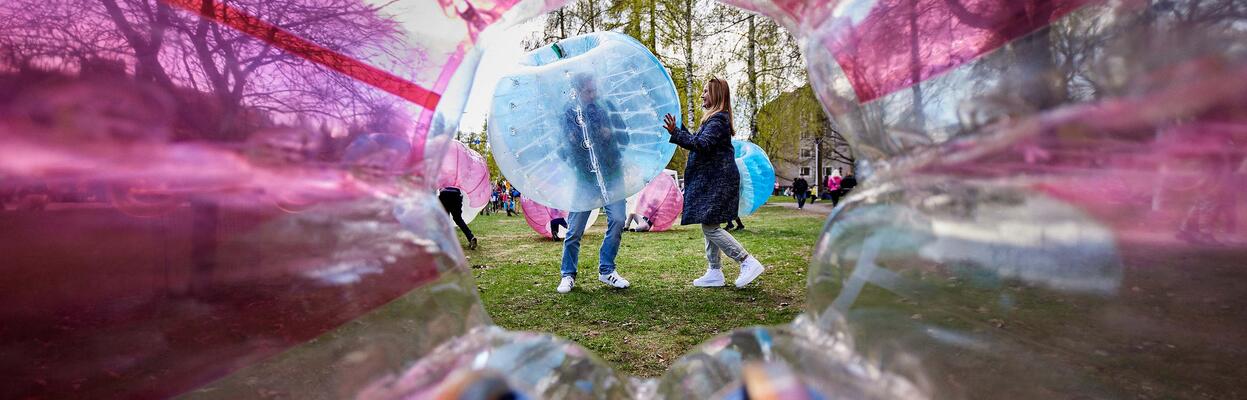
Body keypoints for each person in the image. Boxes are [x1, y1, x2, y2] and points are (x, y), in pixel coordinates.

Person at [663, 77, 767, 288]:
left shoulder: (719, 120)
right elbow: (697, 140)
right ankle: (714, 271)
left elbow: (701, 144)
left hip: (718, 182)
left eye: (706, 92)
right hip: (714, 181)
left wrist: (676, 132)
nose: (702, 95)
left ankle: (746, 261)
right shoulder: (714, 120)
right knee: (709, 223)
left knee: (710, 227)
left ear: (717, 95)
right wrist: (678, 126)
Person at [555, 74, 631, 293]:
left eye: (594, 89)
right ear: (578, 91)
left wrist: (611, 136)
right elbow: (563, 151)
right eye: (588, 91)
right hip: (586, 178)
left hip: (612, 173)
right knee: (575, 229)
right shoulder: (569, 113)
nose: (593, 94)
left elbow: (625, 138)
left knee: (618, 219)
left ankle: (607, 270)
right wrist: (571, 143)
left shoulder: (607, 108)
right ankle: (568, 274)